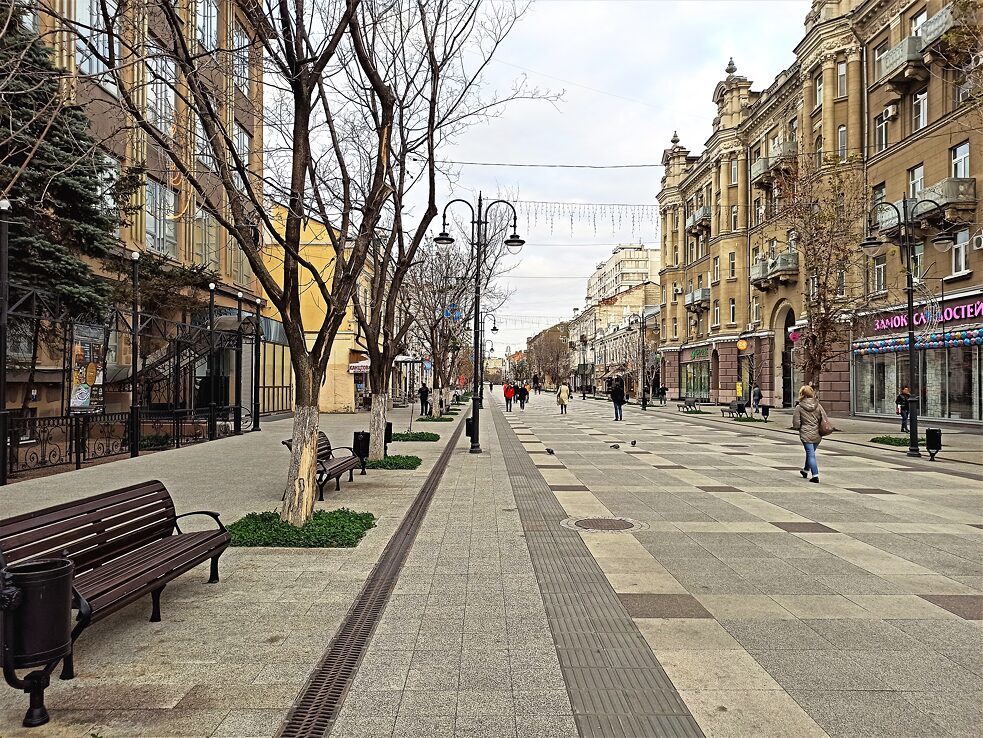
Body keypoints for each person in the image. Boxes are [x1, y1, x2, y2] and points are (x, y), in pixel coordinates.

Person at [792, 385, 827, 484]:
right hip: (817, 433)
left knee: (811, 454)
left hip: (806, 433)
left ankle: (815, 475)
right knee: (810, 453)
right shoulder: (818, 405)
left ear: (802, 394)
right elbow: (824, 418)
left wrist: (799, 427)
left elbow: (796, 423)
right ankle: (805, 471)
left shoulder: (799, 407)